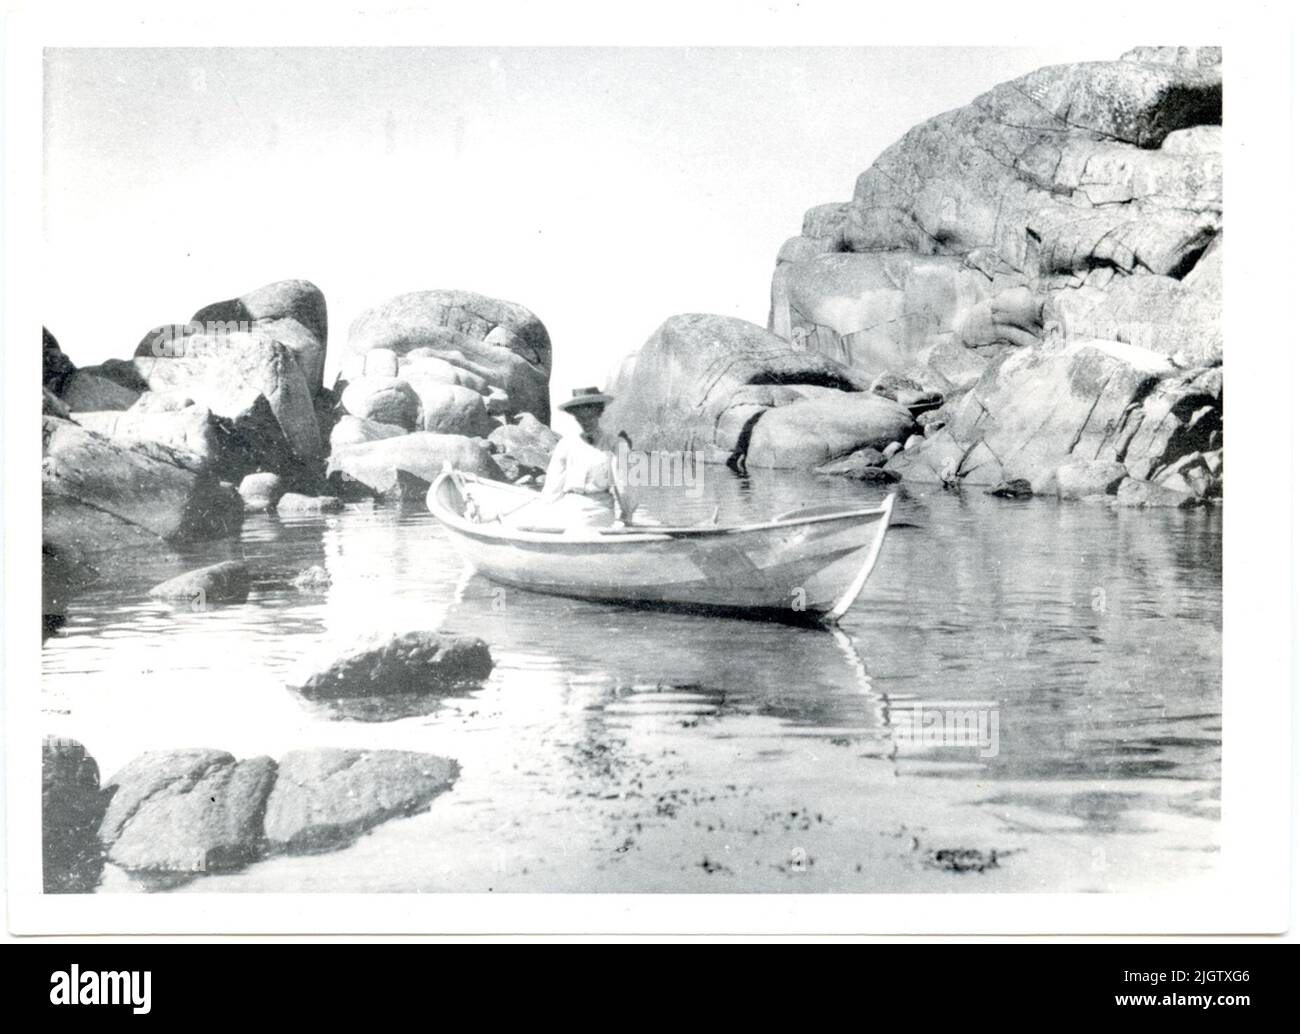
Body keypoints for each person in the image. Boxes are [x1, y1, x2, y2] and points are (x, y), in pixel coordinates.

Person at [509, 387, 632, 528]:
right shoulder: (565, 444)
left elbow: (624, 486)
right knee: (530, 521)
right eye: (581, 417)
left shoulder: (615, 444)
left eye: (590, 415)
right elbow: (552, 487)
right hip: (570, 506)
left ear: (599, 413)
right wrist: (543, 516)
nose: (585, 421)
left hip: (599, 510)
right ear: (575, 416)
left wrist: (626, 516)